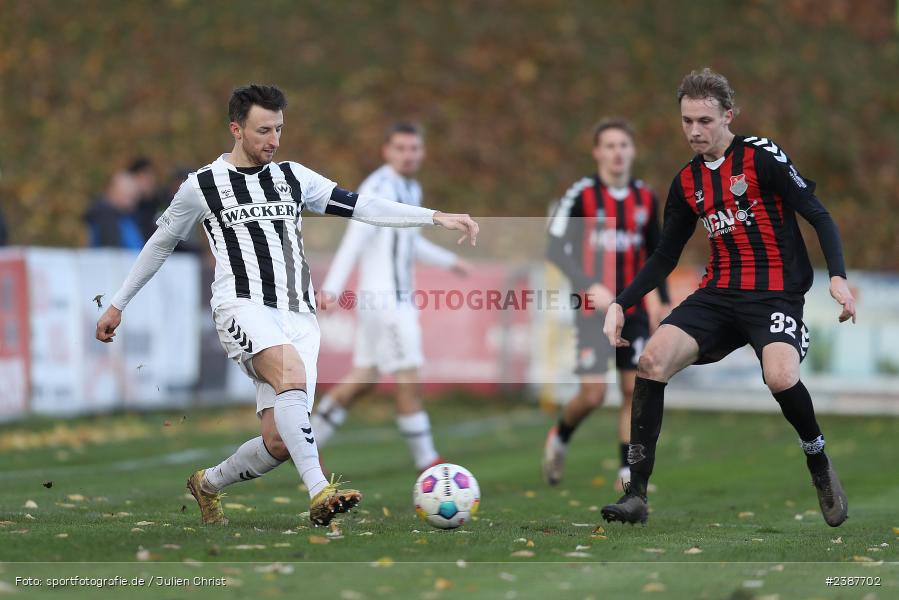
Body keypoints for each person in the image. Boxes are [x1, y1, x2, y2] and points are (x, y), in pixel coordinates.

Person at [95, 85, 478, 527]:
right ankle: (320, 492)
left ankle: (208, 484)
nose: (273, 140)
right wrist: (118, 304)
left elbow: (361, 206)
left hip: (299, 316)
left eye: (278, 129)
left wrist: (434, 216)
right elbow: (160, 244)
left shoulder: (293, 177)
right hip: (240, 306)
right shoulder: (202, 185)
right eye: (263, 131)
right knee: (289, 372)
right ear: (236, 129)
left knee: (278, 442)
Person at [599, 68, 855, 527]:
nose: (694, 131)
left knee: (779, 377)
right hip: (718, 295)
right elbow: (664, 255)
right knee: (652, 360)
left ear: (728, 116)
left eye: (704, 121)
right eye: (686, 121)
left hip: (775, 296)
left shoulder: (761, 156)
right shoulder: (686, 183)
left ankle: (817, 459)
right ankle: (636, 494)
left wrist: (837, 276)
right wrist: (622, 302)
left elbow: (818, 214)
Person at [311, 122, 471, 472]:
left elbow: (409, 241)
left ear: (422, 152)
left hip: (387, 302)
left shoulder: (410, 187)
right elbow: (355, 238)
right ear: (386, 151)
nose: (408, 155)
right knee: (409, 380)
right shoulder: (379, 186)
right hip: (388, 303)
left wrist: (451, 262)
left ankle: (308, 442)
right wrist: (333, 288)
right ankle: (429, 465)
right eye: (400, 148)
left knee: (364, 376)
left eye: (414, 149)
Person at [543, 118, 670, 489]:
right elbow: (554, 248)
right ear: (597, 152)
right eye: (610, 146)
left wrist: (661, 299)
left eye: (623, 145)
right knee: (593, 394)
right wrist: (587, 285)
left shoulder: (646, 197)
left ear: (633, 151)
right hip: (590, 309)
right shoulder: (581, 194)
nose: (617, 152)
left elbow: (656, 252)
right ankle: (561, 435)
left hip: (632, 308)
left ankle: (626, 472)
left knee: (633, 389)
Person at [84, 172, 144, 249]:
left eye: (134, 196)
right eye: (127, 195)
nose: (132, 200)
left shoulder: (129, 216)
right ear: (113, 191)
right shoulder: (104, 216)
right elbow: (111, 250)